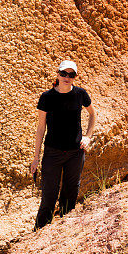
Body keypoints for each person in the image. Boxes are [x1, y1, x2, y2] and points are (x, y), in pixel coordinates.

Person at [29, 59, 96, 230]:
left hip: (75, 152)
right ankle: (39, 233)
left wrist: (88, 136)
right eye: (64, 73)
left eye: (71, 74)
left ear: (74, 77)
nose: (67, 77)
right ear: (57, 74)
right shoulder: (47, 97)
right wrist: (36, 158)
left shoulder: (80, 94)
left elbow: (92, 115)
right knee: (48, 196)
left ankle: (64, 232)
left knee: (70, 192)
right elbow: (40, 128)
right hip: (52, 153)